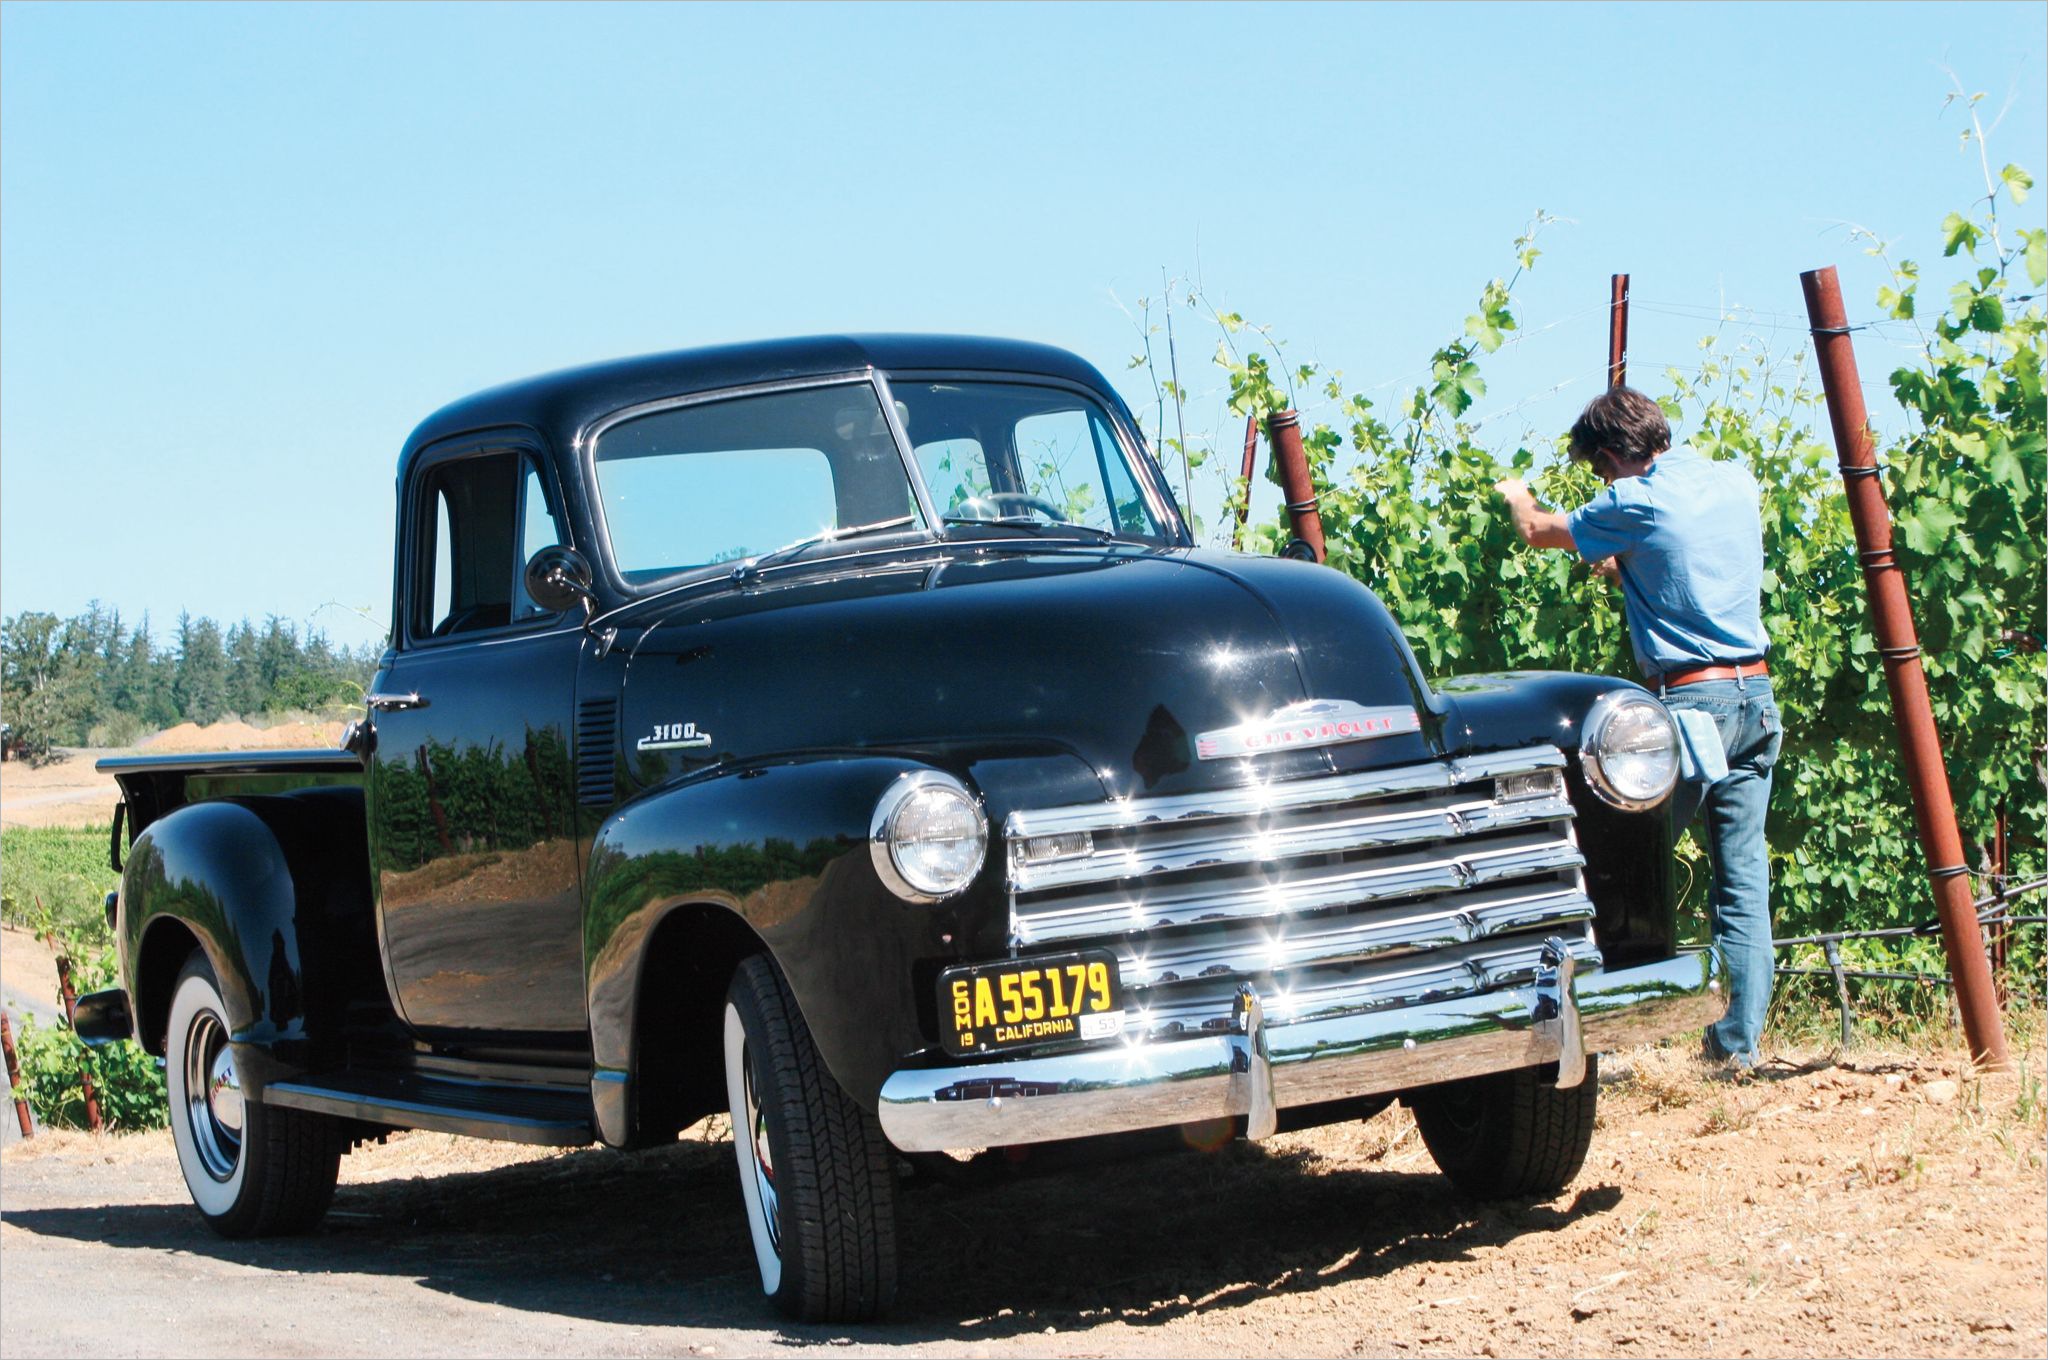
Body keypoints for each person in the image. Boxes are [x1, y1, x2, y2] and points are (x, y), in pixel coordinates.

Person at [1492, 386, 1781, 1067]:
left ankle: (1604, 1043)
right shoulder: (1734, 481)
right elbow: (1691, 568)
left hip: (1689, 708)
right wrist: (1627, 565)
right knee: (1742, 883)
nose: (1601, 484)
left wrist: (1512, 492)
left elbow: (1537, 529)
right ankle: (1735, 1051)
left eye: (1598, 471)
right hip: (1754, 697)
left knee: (1614, 872)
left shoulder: (1635, 499)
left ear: (1612, 456)